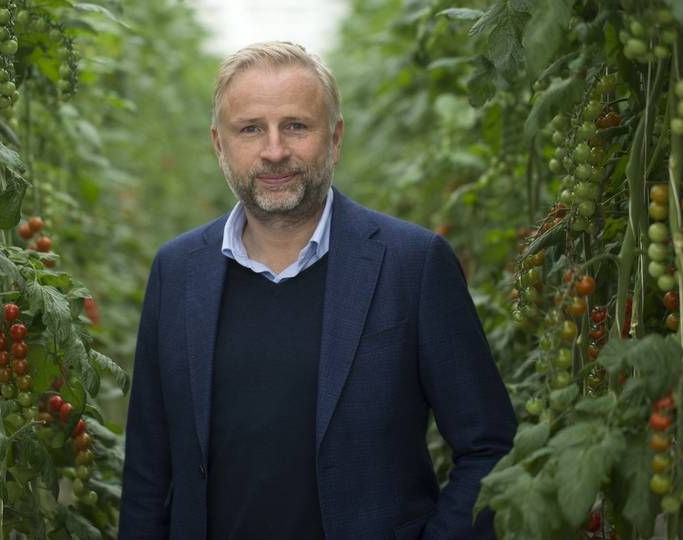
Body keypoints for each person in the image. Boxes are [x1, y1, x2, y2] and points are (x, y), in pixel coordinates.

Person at [119, 41, 516, 540]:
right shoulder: (176, 272)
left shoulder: (412, 265)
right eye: (250, 129)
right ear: (219, 145)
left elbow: (489, 448)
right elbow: (148, 476)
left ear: (335, 138)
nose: (275, 150)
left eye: (296, 126)